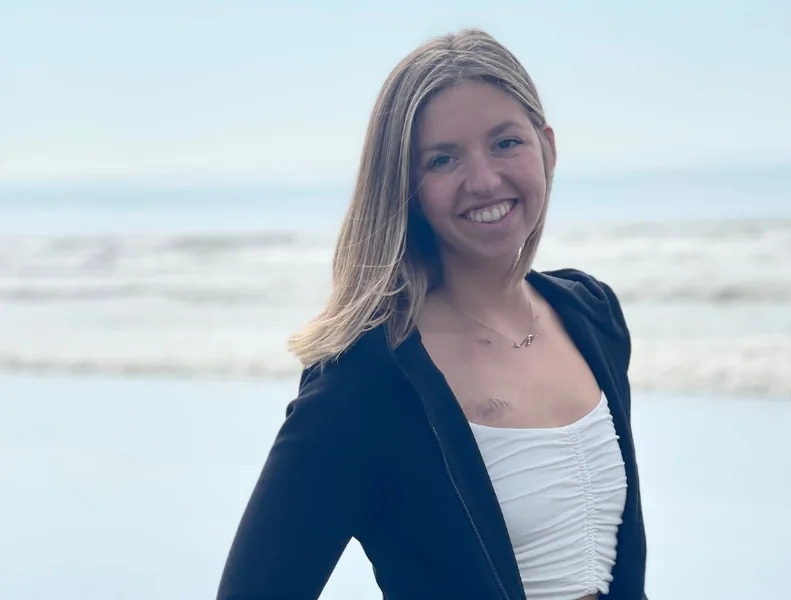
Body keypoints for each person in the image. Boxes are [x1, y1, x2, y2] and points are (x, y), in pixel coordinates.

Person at [216, 28, 648, 600]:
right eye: (443, 159)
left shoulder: (590, 313)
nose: (484, 180)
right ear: (406, 186)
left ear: (547, 147)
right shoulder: (366, 377)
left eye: (506, 143)